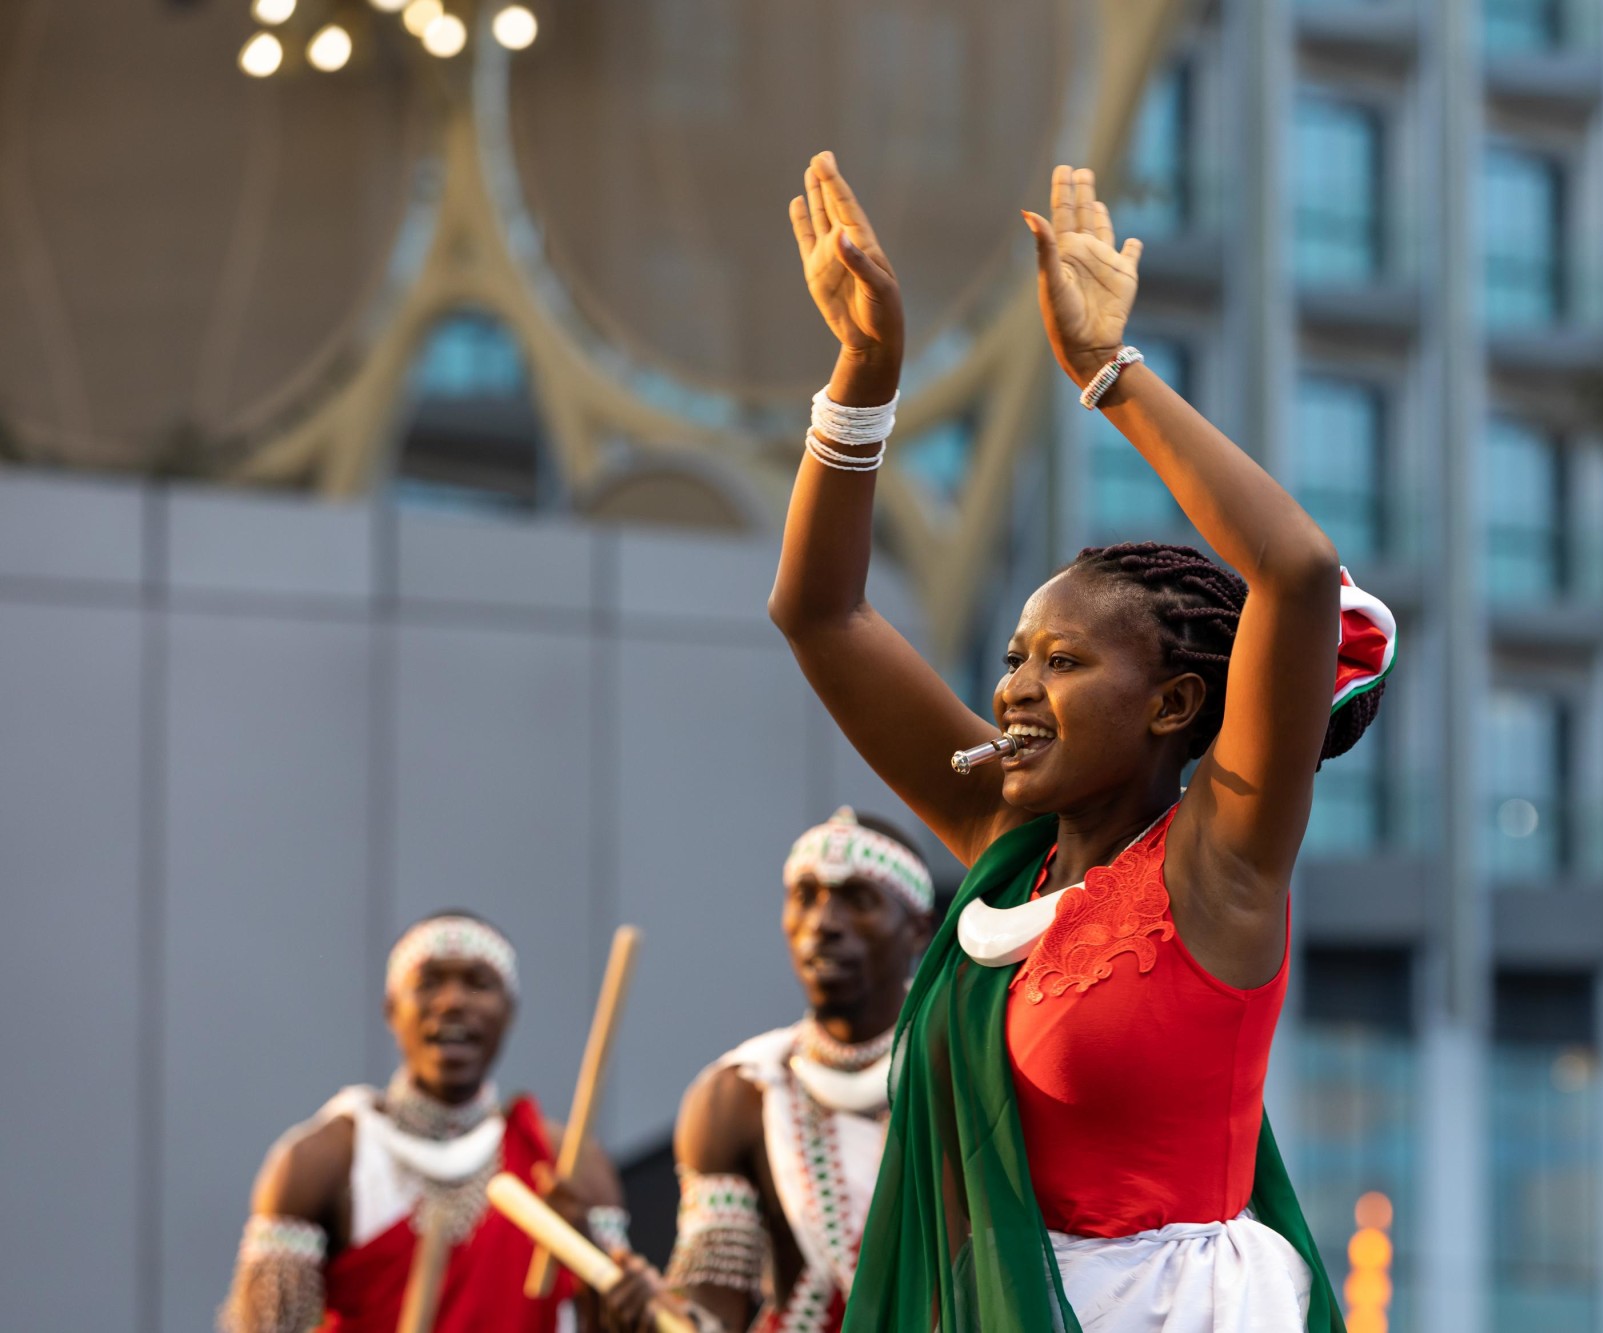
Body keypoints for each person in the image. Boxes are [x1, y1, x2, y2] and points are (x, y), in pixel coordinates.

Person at [764, 152, 1396, 1332]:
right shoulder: (1005, 846)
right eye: (1013, 655)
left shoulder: (1222, 864)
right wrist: (864, 374)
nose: (1013, 688)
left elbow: (1297, 574)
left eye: (1062, 662)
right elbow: (820, 613)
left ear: (1168, 707)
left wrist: (1106, 372)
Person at [600, 809, 935, 1333]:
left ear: (918, 929)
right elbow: (712, 1306)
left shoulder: (968, 1067)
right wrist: (660, 1315)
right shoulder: (737, 1095)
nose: (823, 924)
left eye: (858, 899)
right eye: (805, 896)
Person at [217, 911, 633, 1333]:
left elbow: (612, 1325)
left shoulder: (569, 1165)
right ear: (391, 1009)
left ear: (509, 1012)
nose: (453, 1001)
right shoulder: (321, 1162)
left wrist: (590, 1270)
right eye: (428, 982)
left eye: (478, 983)